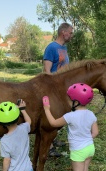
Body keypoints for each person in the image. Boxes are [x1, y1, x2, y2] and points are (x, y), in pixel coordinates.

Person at [43, 83, 99, 171]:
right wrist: (86, 138)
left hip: (78, 151)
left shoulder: (70, 116)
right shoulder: (91, 114)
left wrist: (47, 109)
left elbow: (53, 123)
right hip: (90, 148)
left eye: (69, 99)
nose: (67, 101)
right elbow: (95, 132)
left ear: (76, 102)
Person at [43, 22, 74, 157]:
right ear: (63, 32)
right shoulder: (51, 48)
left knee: (60, 113)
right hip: (52, 88)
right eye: (70, 32)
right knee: (51, 114)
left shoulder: (64, 47)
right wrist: (53, 88)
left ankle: (53, 139)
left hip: (63, 87)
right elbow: (47, 71)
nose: (71, 35)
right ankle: (48, 146)